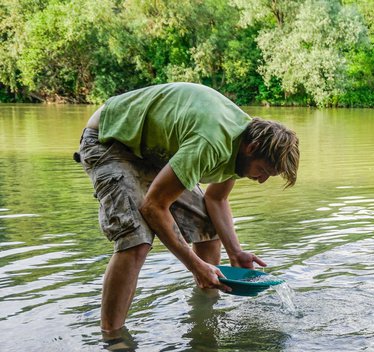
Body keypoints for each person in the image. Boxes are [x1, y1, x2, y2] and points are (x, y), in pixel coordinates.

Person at [75, 82, 299, 332]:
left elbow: (217, 200)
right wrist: (194, 264)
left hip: (154, 151)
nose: (261, 180)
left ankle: (204, 320)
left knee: (207, 227)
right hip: (110, 139)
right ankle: (113, 339)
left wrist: (235, 252)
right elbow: (154, 207)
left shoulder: (243, 141)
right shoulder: (213, 141)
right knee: (136, 240)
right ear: (252, 148)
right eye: (263, 171)